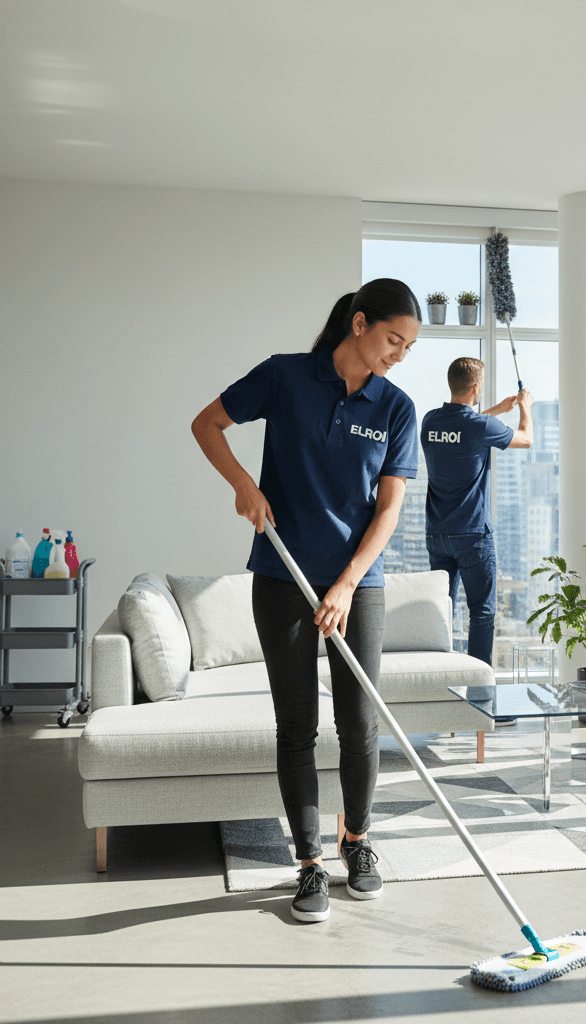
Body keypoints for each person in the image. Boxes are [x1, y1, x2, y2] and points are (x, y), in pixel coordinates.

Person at [190, 279, 421, 922]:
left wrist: (346, 585)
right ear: (358, 322)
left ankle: (358, 843)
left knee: (361, 722)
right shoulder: (286, 378)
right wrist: (242, 485)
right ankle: (310, 864)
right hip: (282, 575)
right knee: (297, 726)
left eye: (408, 347)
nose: (399, 355)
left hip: (359, 583)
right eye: (392, 339)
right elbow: (206, 423)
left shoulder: (396, 408)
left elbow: (391, 505)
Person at [420, 357, 533, 669]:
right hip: (472, 537)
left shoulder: (430, 421)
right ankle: (479, 691)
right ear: (475, 387)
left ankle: (438, 680)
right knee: (481, 612)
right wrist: (525, 407)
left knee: (440, 609)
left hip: (438, 535)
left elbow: (463, 428)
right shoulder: (479, 426)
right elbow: (526, 439)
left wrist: (497, 409)